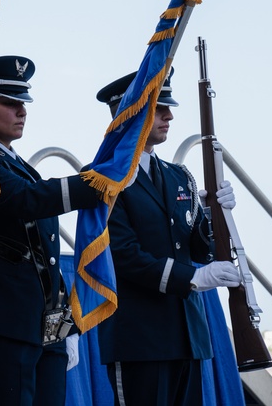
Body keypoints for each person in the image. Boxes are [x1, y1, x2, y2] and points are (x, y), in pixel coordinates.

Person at [0, 56, 102, 406]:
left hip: (43, 325)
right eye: (8, 102)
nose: (21, 111)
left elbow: (44, 250)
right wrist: (96, 183)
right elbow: (25, 200)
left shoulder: (18, 164)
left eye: (23, 103)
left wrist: (66, 321)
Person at [95, 69, 240, 406]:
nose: (169, 115)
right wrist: (193, 278)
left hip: (186, 335)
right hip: (139, 338)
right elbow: (125, 255)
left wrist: (214, 216)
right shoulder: (105, 178)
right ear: (129, 112)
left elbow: (199, 249)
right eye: (159, 108)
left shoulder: (177, 176)